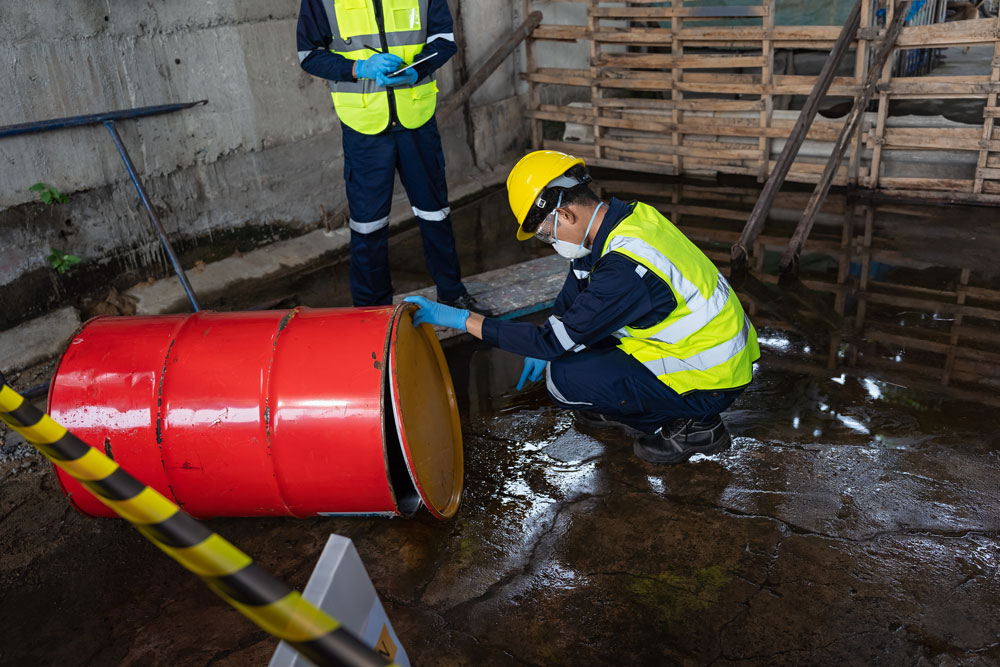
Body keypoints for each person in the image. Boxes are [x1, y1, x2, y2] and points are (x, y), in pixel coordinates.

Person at [405, 151, 760, 464]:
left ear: (564, 214)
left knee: (564, 379)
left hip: (710, 378)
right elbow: (573, 297)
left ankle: (694, 426)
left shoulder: (625, 267)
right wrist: (551, 328)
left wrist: (464, 319)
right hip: (707, 351)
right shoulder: (625, 220)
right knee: (578, 344)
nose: (549, 242)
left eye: (546, 233)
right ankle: (634, 404)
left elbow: (552, 343)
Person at [297, 0, 485, 312]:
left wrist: (417, 71)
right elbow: (309, 54)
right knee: (368, 225)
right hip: (364, 124)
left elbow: (444, 40)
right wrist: (358, 68)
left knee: (435, 213)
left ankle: (452, 292)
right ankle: (372, 311)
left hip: (416, 117)